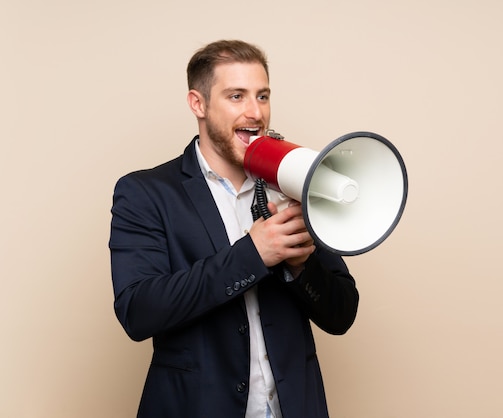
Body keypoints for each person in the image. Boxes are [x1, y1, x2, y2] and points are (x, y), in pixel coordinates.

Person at [109, 39, 359, 418]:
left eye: (262, 96)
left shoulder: (292, 185)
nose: (254, 112)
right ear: (199, 103)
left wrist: (300, 267)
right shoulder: (145, 192)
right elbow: (138, 311)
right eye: (236, 96)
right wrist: (252, 255)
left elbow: (342, 314)